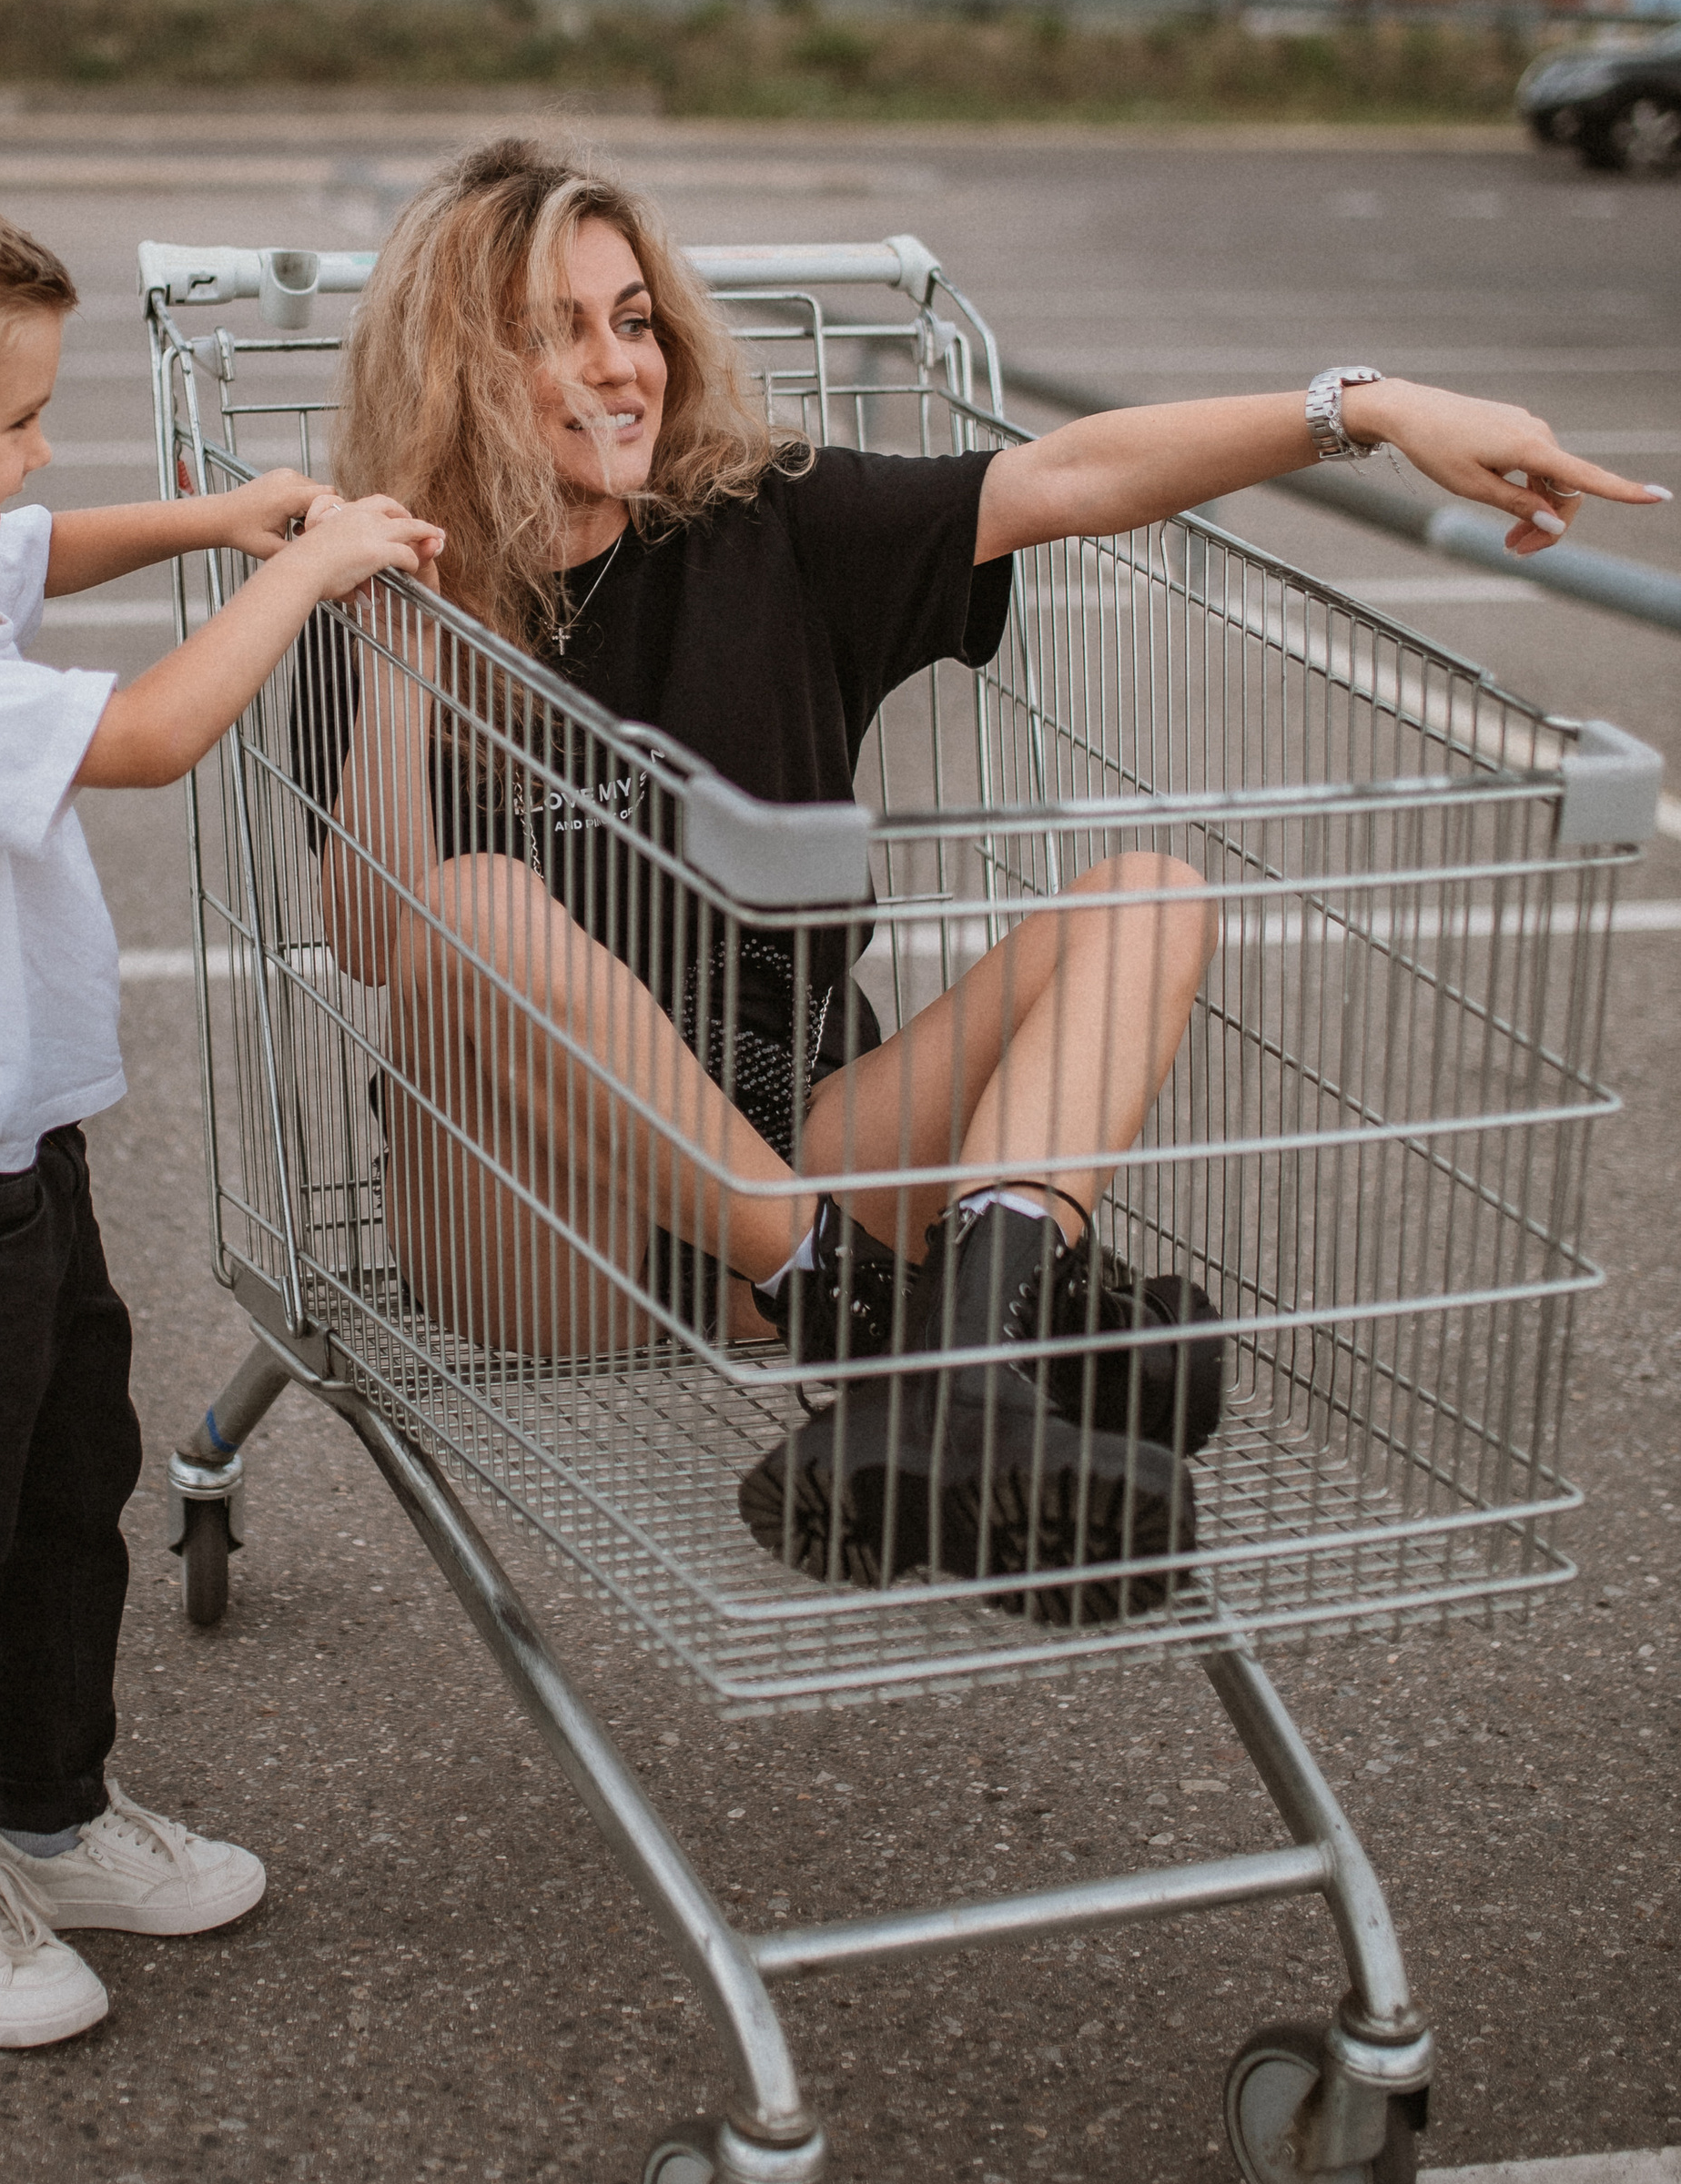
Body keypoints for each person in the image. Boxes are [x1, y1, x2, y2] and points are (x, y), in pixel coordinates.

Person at [298, 136, 1667, 1597]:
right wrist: (399, 653)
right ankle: (880, 1315)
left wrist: (1366, 409)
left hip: (797, 1163)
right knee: (477, 907)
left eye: (634, 320)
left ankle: (967, 1356)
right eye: (558, 332)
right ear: (461, 367)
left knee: (1148, 901)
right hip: (540, 1227)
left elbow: (1068, 476)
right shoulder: (379, 596)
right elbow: (377, 942)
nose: (620, 366)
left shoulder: (767, 528)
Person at [0, 169, 440, 2045]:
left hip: (12, 1136)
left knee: (73, 1491)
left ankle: (52, 1821)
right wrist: (297, 575)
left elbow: (37, 554)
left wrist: (220, 514)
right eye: (21, 422)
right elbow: (140, 738)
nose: (41, 458)